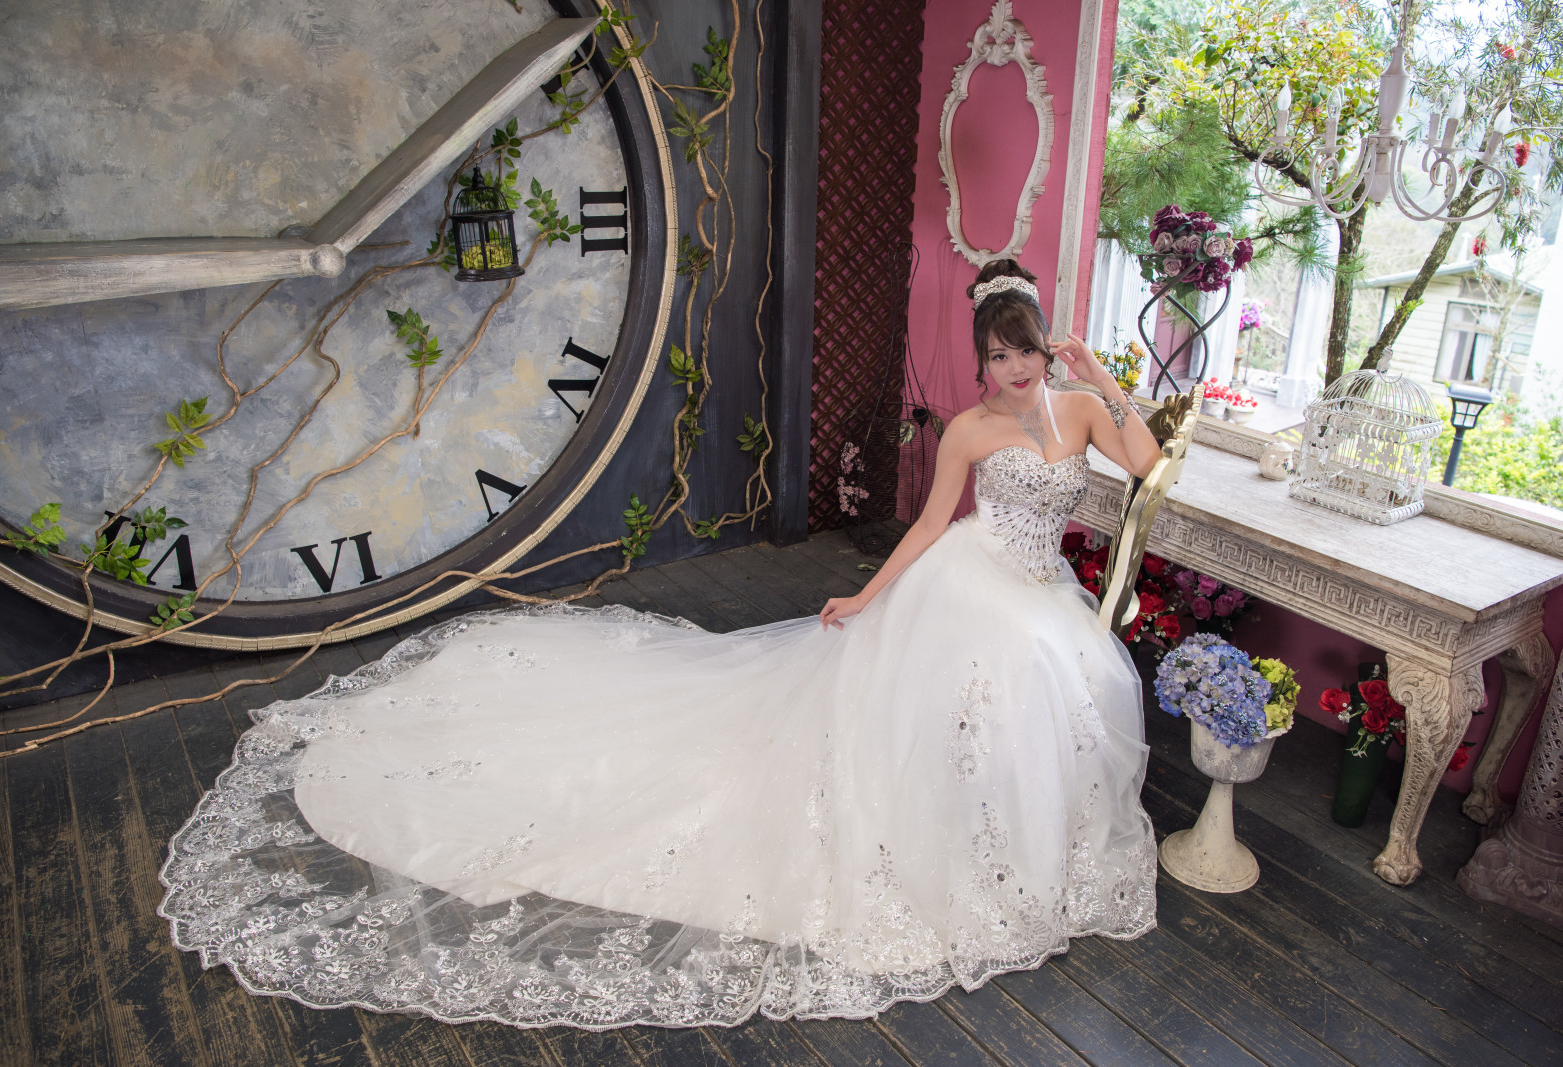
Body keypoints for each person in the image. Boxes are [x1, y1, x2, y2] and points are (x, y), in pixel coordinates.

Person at [159, 259, 1162, 1029]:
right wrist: (865, 590)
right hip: (971, 580)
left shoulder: (1077, 406)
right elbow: (929, 525)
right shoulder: (966, 431)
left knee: (1056, 688)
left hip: (1040, 593)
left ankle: (1010, 833)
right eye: (994, 356)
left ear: (1043, 345)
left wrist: (1097, 373)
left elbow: (1146, 459)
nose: (1009, 370)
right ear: (978, 359)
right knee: (966, 689)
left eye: (1022, 350)